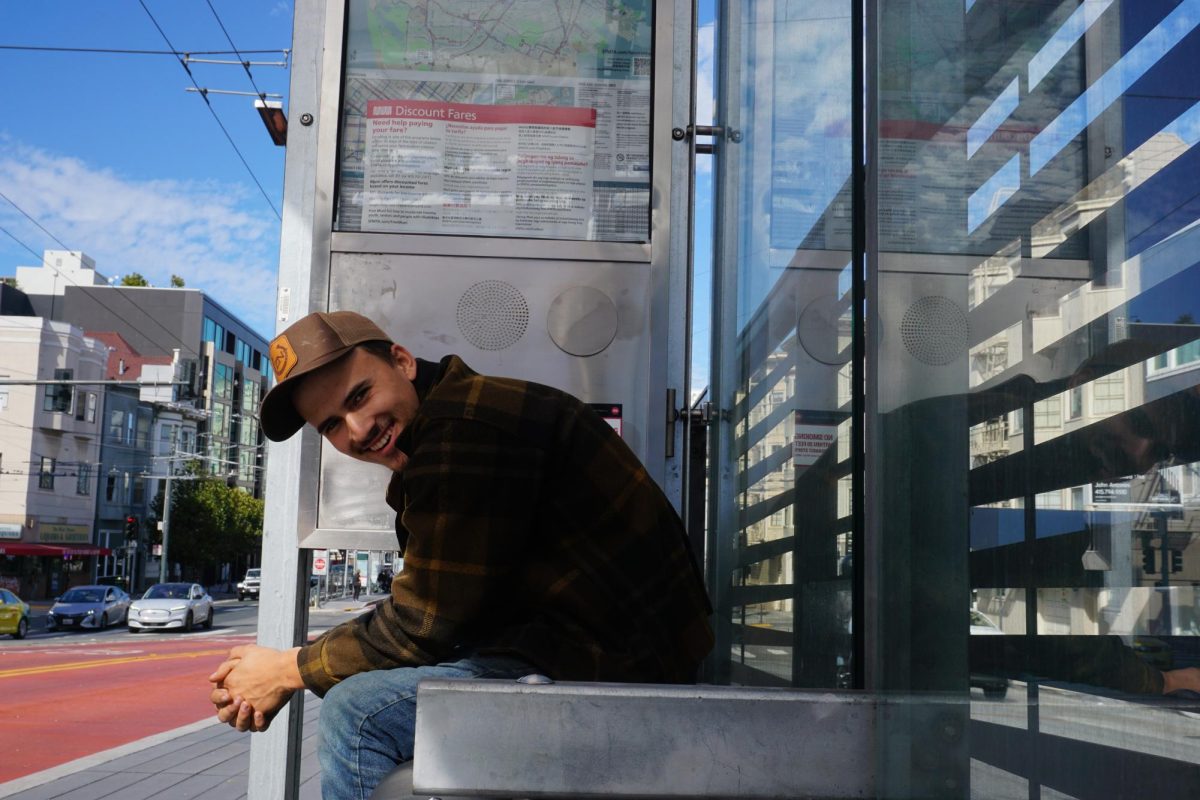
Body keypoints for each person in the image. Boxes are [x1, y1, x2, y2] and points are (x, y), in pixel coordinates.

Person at [207, 310, 713, 800]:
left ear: (402, 362)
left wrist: (286, 669)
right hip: (595, 657)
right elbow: (439, 614)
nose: (357, 430)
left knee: (356, 716)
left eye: (360, 396)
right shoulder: (447, 428)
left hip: (621, 679)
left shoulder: (464, 426)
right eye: (333, 425)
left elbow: (423, 623)